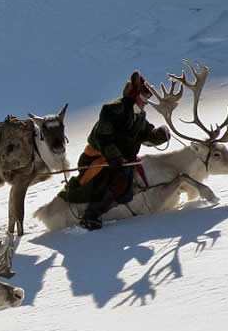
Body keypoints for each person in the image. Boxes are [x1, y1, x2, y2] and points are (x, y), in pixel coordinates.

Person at [73, 71, 170, 230]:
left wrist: (159, 136)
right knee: (117, 182)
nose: (147, 101)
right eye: (145, 97)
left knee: (126, 187)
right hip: (102, 157)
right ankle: (90, 215)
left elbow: (145, 135)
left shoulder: (139, 115)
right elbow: (104, 136)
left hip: (123, 160)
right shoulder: (112, 109)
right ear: (135, 95)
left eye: (148, 98)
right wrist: (115, 157)